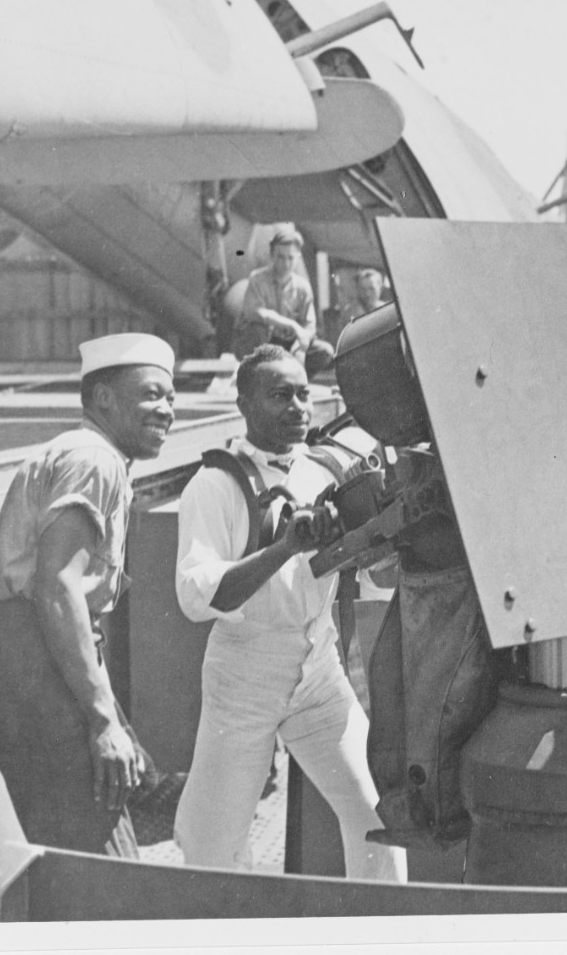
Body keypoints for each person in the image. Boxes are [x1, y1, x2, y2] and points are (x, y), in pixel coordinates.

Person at [172, 344, 406, 881]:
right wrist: (282, 549)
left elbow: (378, 578)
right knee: (212, 846)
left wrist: (389, 541)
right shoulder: (214, 485)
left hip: (318, 673)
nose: (299, 406)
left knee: (376, 816)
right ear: (244, 403)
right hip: (243, 679)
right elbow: (196, 597)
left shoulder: (327, 469)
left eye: (304, 393)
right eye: (280, 395)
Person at [0, 333, 177, 856]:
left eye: (172, 399)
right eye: (152, 395)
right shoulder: (96, 459)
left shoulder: (87, 453)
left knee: (79, 841)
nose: (166, 410)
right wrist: (102, 719)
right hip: (37, 658)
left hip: (28, 656)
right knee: (104, 864)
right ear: (104, 399)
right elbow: (56, 586)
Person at [234, 225, 335, 378]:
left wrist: (299, 347)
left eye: (291, 258)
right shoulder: (257, 279)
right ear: (272, 256)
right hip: (262, 341)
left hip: (288, 345)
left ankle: (294, 381)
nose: (286, 263)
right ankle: (258, 378)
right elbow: (255, 312)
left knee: (325, 352)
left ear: (298, 258)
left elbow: (309, 325)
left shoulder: (302, 287)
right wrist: (292, 325)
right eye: (280, 257)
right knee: (257, 329)